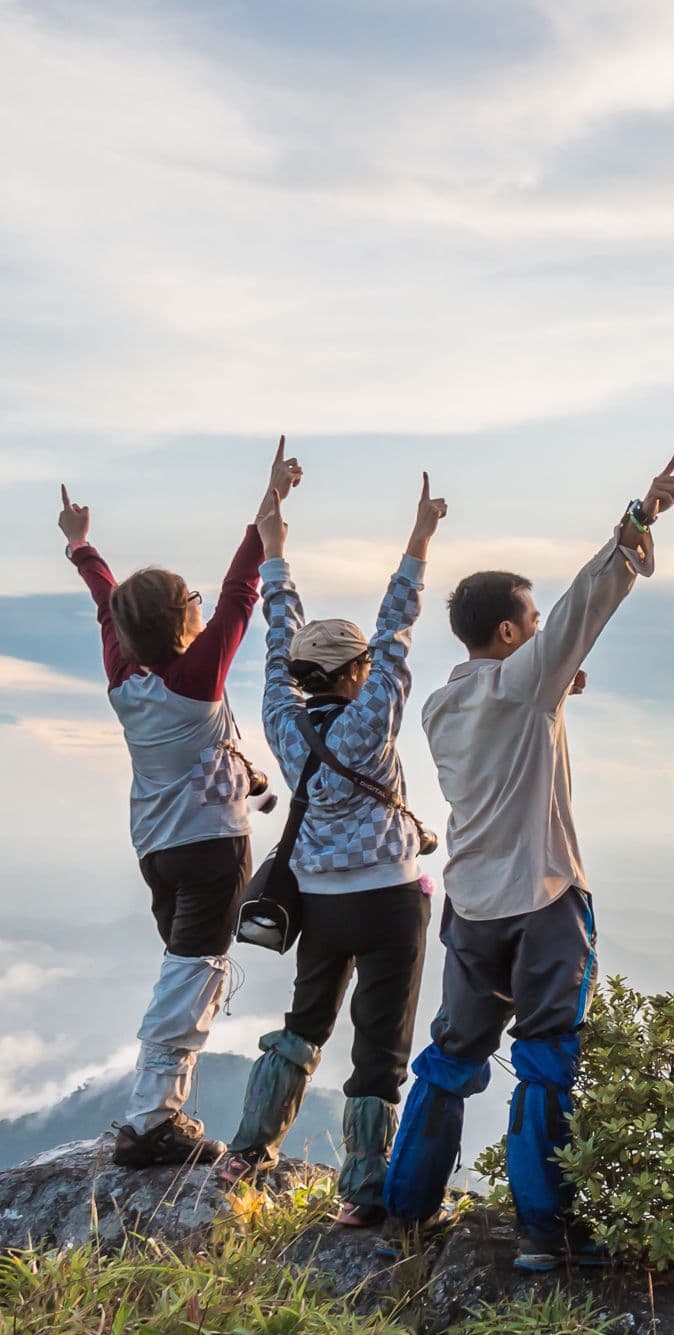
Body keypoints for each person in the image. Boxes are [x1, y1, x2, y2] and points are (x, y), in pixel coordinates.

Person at [381, 450, 674, 1272]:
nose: (540, 623)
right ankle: (544, 1234)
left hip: (472, 909)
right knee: (548, 1062)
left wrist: (554, 687)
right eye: (529, 618)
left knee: (450, 1057)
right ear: (513, 632)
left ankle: (405, 1208)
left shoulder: (443, 705)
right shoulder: (524, 686)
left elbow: (523, 690)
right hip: (544, 899)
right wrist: (638, 522)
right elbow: (582, 610)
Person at [218, 473, 450, 1224]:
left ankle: (249, 1149)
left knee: (305, 1021)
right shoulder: (372, 717)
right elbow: (397, 629)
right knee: (379, 1047)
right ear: (357, 675)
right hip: (389, 901)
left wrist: (274, 549)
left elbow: (278, 633)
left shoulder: (282, 723)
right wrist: (418, 540)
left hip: (319, 903)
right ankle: (361, 1193)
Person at [61, 439, 295, 1168]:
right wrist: (268, 512)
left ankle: (159, 1111)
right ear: (182, 621)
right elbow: (240, 595)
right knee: (195, 971)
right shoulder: (195, 682)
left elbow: (108, 607)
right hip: (209, 852)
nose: (203, 604)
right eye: (190, 600)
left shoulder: (123, 679)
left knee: (187, 963)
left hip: (156, 852)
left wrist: (81, 546)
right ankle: (151, 1120)